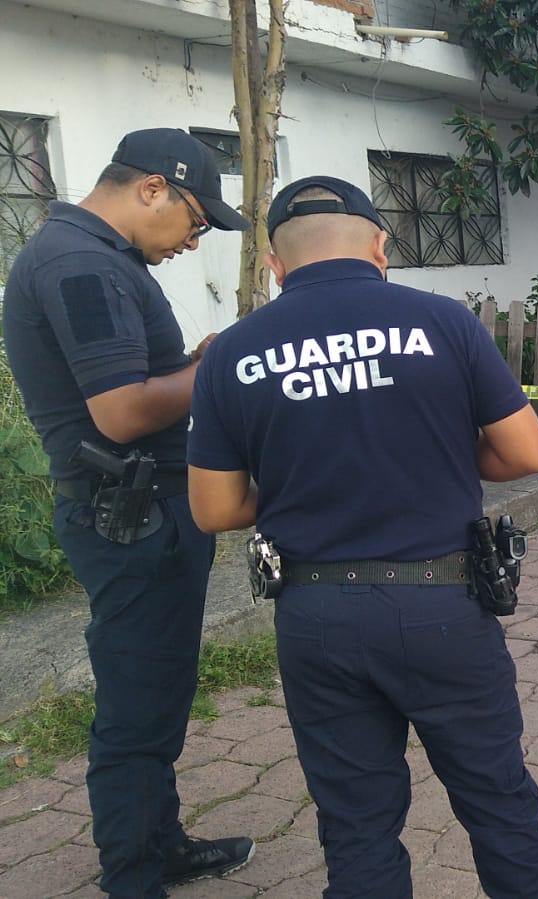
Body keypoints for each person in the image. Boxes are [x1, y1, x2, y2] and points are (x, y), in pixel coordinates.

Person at [185, 177, 538, 898]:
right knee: (498, 800)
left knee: (356, 825)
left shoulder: (232, 352)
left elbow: (213, 508)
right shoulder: (442, 323)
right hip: (443, 605)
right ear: (380, 247)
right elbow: (526, 454)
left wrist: (302, 483)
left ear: (274, 263)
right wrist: (439, 456)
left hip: (317, 616)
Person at [2, 128, 255, 896]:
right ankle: (134, 876)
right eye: (196, 221)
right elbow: (119, 411)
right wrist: (216, 371)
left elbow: (134, 382)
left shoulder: (94, 254)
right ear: (153, 188)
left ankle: (159, 843)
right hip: (132, 515)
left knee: (157, 692)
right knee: (138, 708)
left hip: (143, 510)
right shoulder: (81, 262)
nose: (192, 240)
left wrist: (185, 364)